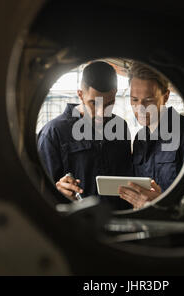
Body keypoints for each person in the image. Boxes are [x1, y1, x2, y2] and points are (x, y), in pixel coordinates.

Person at [37, 61, 133, 210]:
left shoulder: (120, 127)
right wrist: (58, 191)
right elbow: (40, 192)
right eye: (94, 104)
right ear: (80, 95)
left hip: (121, 220)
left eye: (109, 104)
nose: (102, 114)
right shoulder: (53, 133)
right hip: (77, 225)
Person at [119, 62, 184, 209]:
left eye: (149, 100)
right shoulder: (139, 139)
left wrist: (162, 203)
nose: (140, 109)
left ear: (166, 96)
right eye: (134, 100)